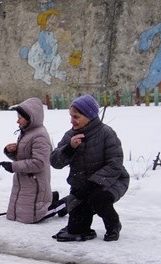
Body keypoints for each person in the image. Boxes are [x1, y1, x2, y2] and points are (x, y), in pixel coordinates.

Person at [50, 94, 129, 242]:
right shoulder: (70, 135)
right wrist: (69, 148)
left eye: (76, 116)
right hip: (81, 187)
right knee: (76, 231)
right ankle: (83, 227)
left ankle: (114, 224)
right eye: (71, 116)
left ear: (89, 116)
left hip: (110, 181)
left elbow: (115, 163)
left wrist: (93, 184)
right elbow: (55, 162)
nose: (72, 120)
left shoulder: (106, 133)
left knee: (98, 199)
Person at [0, 97, 53, 223]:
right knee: (20, 215)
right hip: (24, 181)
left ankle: (59, 205)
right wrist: (11, 151)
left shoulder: (40, 136)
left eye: (20, 117)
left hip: (35, 182)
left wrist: (13, 166)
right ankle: (51, 199)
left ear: (30, 117)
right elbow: (23, 157)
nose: (17, 121)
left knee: (35, 214)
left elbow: (39, 163)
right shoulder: (26, 132)